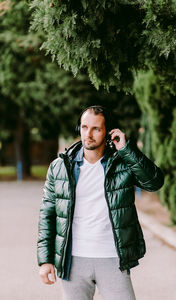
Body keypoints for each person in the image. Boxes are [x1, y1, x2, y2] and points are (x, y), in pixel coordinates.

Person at [37, 105, 164, 300]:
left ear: (108, 132)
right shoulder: (60, 167)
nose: (88, 134)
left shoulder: (123, 163)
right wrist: (45, 260)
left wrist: (126, 149)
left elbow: (154, 182)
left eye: (96, 128)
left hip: (112, 257)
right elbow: (47, 214)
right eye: (84, 127)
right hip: (73, 259)